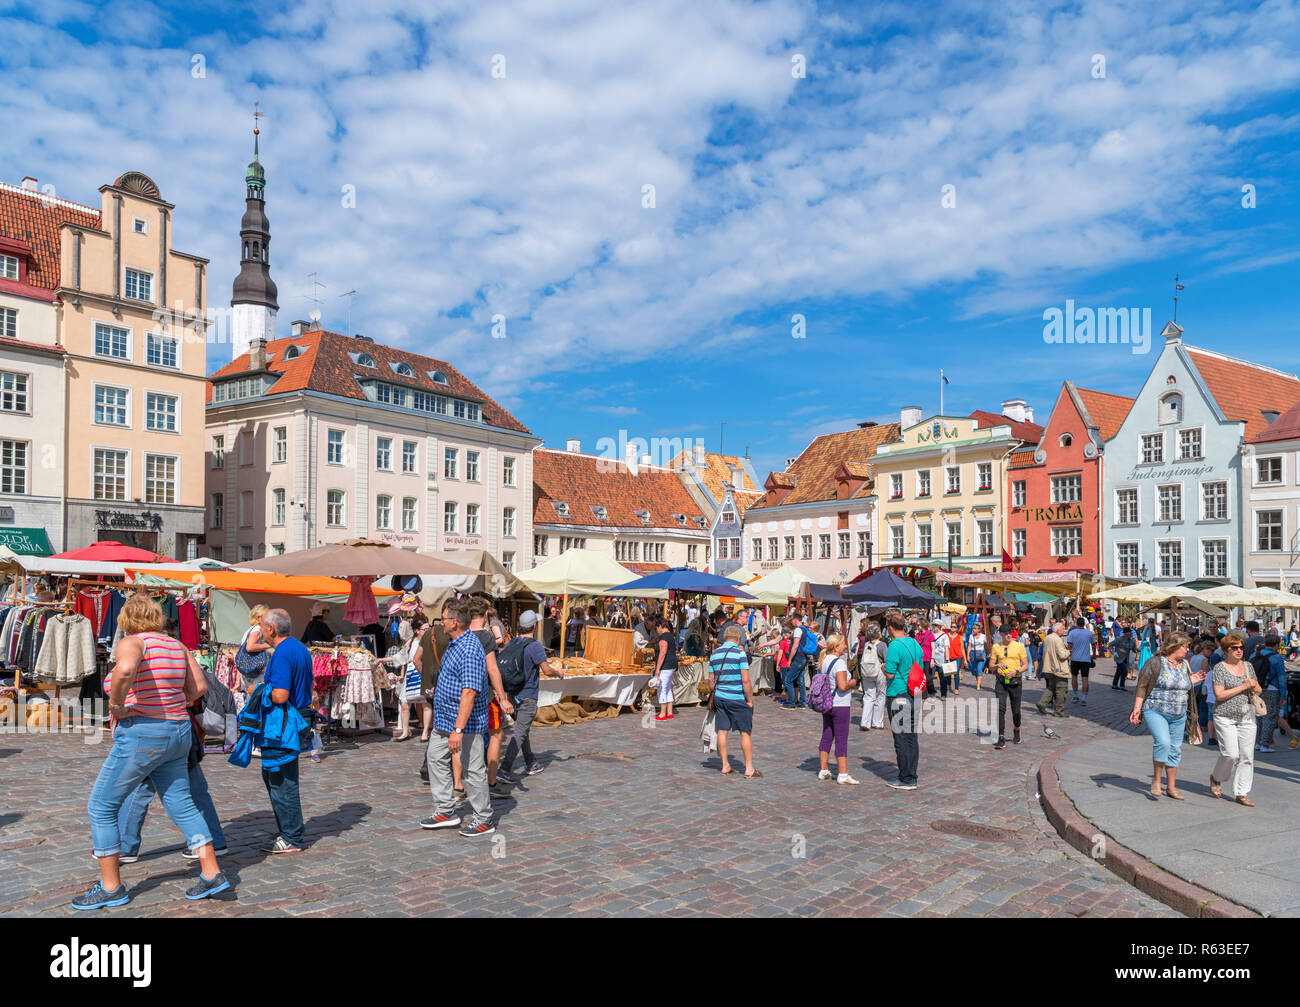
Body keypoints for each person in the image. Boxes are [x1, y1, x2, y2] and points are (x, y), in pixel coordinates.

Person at [76, 594, 229, 909]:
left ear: (126, 621)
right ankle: (212, 872)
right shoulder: (177, 645)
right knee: (183, 805)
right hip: (178, 733)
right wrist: (176, 704)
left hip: (144, 733)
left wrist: (117, 704)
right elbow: (199, 687)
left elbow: (125, 670)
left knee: (101, 806)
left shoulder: (133, 643)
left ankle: (110, 886)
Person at [420, 599, 494, 837]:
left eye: (443, 618)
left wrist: (458, 730)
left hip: (465, 723)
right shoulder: (455, 643)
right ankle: (445, 810)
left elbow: (470, 691)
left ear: (454, 622)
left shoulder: (470, 648)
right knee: (435, 758)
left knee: (473, 770)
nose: (441, 623)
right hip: (444, 720)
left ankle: (484, 818)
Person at [254, 609, 316, 853]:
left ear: (271, 629)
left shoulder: (281, 653)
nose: (260, 631)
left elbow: (280, 695)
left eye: (262, 626)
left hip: (284, 723)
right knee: (280, 777)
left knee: (280, 779)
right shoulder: (300, 648)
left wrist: (257, 691)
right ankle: (290, 829)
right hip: (298, 717)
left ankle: (290, 836)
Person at [1129, 631, 1204, 801]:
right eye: (1186, 647)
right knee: (1163, 742)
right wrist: (1137, 708)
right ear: (1175, 647)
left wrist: (1193, 681)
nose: (1187, 650)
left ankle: (1171, 787)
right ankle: (1156, 780)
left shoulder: (1185, 664)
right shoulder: (1155, 663)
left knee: (1175, 749)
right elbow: (1142, 685)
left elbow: (1183, 684)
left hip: (1179, 713)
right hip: (1156, 710)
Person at [500, 609, 564, 779]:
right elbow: (546, 670)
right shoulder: (535, 646)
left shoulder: (511, 642)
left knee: (523, 730)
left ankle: (531, 763)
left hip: (513, 694)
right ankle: (504, 769)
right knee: (520, 732)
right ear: (534, 626)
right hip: (528, 694)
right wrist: (558, 673)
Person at [467, 597, 516, 798]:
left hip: (462, 694)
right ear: (485, 614)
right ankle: (491, 781)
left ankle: (459, 786)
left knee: (464, 737)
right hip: (484, 694)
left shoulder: (459, 636)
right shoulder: (485, 637)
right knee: (496, 735)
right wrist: (503, 698)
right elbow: (492, 669)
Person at [1210, 633, 1261, 806]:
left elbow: (1258, 689)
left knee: (1247, 756)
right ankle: (1217, 777)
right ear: (1226, 650)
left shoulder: (1248, 666)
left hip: (1247, 714)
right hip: (1225, 715)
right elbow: (1219, 694)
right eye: (1234, 648)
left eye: (1241, 647)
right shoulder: (1219, 668)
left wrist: (1255, 687)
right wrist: (1242, 687)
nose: (1239, 651)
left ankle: (1241, 792)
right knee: (1230, 754)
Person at [708, 624, 758, 778]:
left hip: (720, 698)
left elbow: (710, 680)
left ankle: (725, 765)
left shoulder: (715, 654)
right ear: (738, 639)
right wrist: (749, 699)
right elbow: (746, 680)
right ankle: (749, 768)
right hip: (737, 698)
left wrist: (716, 693)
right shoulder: (740, 653)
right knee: (745, 733)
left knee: (722, 731)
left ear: (724, 638)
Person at [883, 611, 922, 790]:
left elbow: (890, 672)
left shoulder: (894, 645)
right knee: (911, 736)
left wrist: (883, 666)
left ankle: (906, 777)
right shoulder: (914, 642)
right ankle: (911, 774)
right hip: (914, 693)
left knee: (900, 737)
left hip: (898, 693)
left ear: (890, 627)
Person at [815, 634, 859, 784]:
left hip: (827, 703)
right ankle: (843, 773)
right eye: (843, 644)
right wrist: (853, 682)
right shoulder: (839, 663)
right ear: (836, 647)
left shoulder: (825, 660)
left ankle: (823, 769)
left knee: (827, 734)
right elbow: (842, 686)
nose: (845, 647)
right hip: (840, 704)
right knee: (841, 738)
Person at [990, 625, 1027, 749]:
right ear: (1000, 634)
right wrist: (997, 666)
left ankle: (1016, 729)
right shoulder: (996, 647)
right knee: (1001, 709)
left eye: (1010, 632)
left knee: (1016, 710)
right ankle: (1001, 737)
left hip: (1015, 681)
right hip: (1001, 681)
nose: (1009, 635)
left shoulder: (1019, 646)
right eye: (1006, 633)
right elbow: (991, 666)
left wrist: (1016, 671)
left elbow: (1025, 665)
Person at [1036, 621, 1070, 717]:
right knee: (1061, 689)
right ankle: (1059, 711)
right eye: (1063, 629)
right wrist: (1069, 651)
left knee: (1051, 687)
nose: (1064, 630)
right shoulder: (1057, 639)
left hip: (1049, 666)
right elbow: (1062, 655)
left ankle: (1042, 703)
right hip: (1058, 667)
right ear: (1058, 630)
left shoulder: (1047, 638)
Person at [858, 623, 888, 730]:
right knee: (880, 696)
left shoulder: (867, 644)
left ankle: (865, 722)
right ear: (878, 633)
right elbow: (886, 659)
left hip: (867, 672)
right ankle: (877, 722)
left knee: (868, 697)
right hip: (878, 671)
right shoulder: (882, 645)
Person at [238, 604, 273, 693]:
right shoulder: (257, 629)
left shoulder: (249, 630)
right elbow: (250, 647)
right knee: (259, 696)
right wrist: (269, 645)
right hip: (256, 672)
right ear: (258, 618)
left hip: (248, 671)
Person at [782, 613, 812, 710]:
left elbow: (795, 646)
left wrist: (789, 660)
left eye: (791, 619)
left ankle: (791, 703)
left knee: (788, 680)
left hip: (798, 658)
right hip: (803, 657)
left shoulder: (798, 630)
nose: (791, 621)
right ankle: (802, 702)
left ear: (795, 619)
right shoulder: (805, 629)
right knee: (800, 681)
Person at [652, 615, 680, 721]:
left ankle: (662, 713)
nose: (656, 630)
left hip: (666, 665)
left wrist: (657, 670)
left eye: (656, 628)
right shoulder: (670, 636)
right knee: (667, 688)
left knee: (662, 688)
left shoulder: (664, 637)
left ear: (660, 626)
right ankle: (669, 712)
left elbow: (662, 653)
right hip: (671, 665)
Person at [930, 619, 952, 699]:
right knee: (930, 678)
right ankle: (931, 692)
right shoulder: (931, 634)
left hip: (941, 659)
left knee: (942, 678)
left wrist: (947, 658)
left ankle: (943, 694)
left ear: (939, 626)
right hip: (932, 659)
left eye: (935, 625)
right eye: (933, 625)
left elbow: (946, 647)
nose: (933, 627)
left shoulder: (944, 636)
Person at [1110, 626, 1135, 691]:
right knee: (1125, 672)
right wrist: (1113, 653)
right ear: (1126, 634)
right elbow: (1110, 644)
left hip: (1126, 658)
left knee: (1118, 672)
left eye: (1131, 633)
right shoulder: (1119, 639)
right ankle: (1121, 686)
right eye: (1130, 633)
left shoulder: (1132, 641)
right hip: (1119, 658)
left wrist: (1141, 648)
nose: (1131, 634)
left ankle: (1114, 685)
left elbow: (1134, 650)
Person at [968, 621, 987, 691]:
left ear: (979, 630)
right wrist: (968, 655)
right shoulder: (971, 636)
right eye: (973, 629)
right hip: (973, 653)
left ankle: (978, 685)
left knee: (979, 669)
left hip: (981, 653)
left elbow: (986, 645)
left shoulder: (983, 636)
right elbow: (969, 646)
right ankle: (978, 680)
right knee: (974, 670)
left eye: (975, 629)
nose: (973, 630)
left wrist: (988, 653)